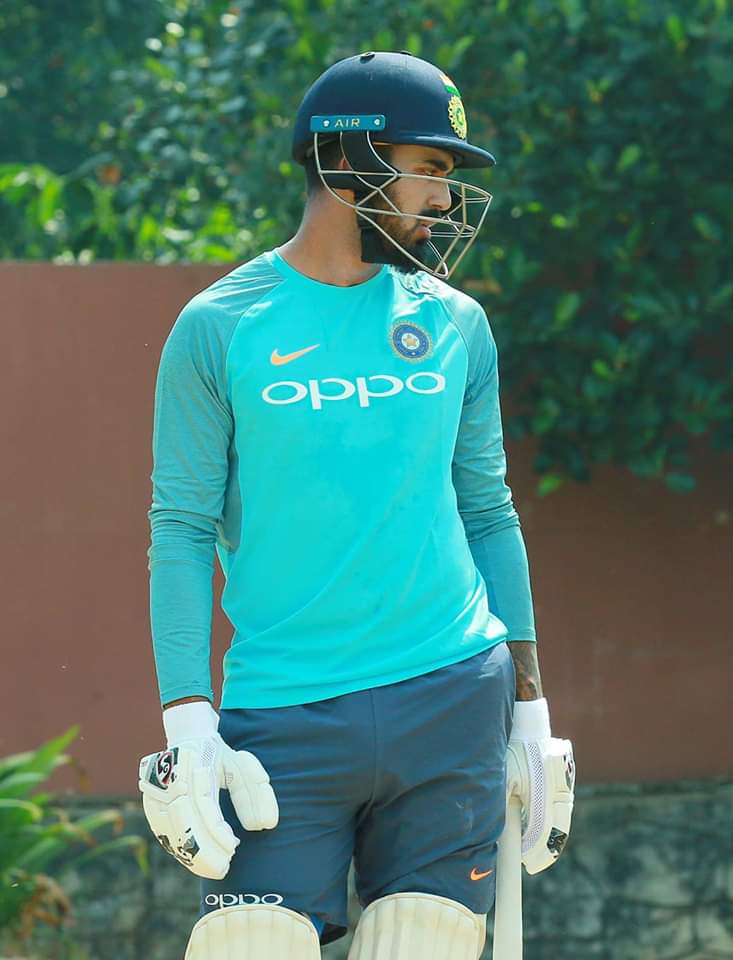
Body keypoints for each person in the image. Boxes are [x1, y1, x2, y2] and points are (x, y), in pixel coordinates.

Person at [137, 51, 574, 960]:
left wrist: (532, 717)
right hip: (284, 713)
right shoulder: (219, 327)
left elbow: (488, 513)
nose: (445, 201)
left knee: (422, 942)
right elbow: (178, 527)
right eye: (432, 169)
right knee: (247, 946)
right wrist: (188, 720)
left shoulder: (456, 322)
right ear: (346, 163)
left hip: (454, 693)